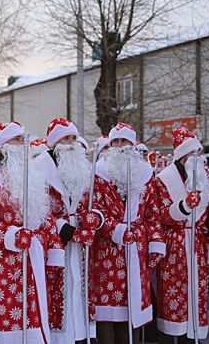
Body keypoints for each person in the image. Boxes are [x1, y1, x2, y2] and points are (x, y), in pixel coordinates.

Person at [0, 121, 64, 343]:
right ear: (3, 146)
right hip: (5, 262)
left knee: (35, 317)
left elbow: (46, 215)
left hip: (36, 257)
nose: (23, 144)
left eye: (23, 139)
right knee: (9, 319)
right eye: (17, 140)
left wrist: (55, 247)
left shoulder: (34, 173)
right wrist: (11, 235)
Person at [93, 122, 165, 344]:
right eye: (115, 141)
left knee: (131, 310)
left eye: (125, 141)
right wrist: (115, 230)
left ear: (133, 145)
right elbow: (96, 210)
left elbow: (152, 213)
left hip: (136, 250)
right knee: (107, 312)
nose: (120, 145)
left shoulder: (145, 174)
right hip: (107, 253)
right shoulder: (98, 174)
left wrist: (155, 243)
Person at [155, 126, 209, 343]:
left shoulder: (205, 179)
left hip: (197, 246)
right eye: (192, 152)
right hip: (174, 248)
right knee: (172, 298)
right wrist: (184, 206)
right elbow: (161, 215)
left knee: (195, 299)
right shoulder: (163, 179)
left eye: (199, 151)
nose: (197, 157)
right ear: (181, 155)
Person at [35, 118, 103, 344]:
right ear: (55, 143)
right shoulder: (40, 169)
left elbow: (97, 203)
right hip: (56, 244)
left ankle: (81, 337)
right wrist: (66, 230)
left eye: (74, 137)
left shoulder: (84, 168)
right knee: (59, 296)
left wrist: (94, 218)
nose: (72, 143)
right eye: (66, 138)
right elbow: (38, 210)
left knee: (80, 292)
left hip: (82, 248)